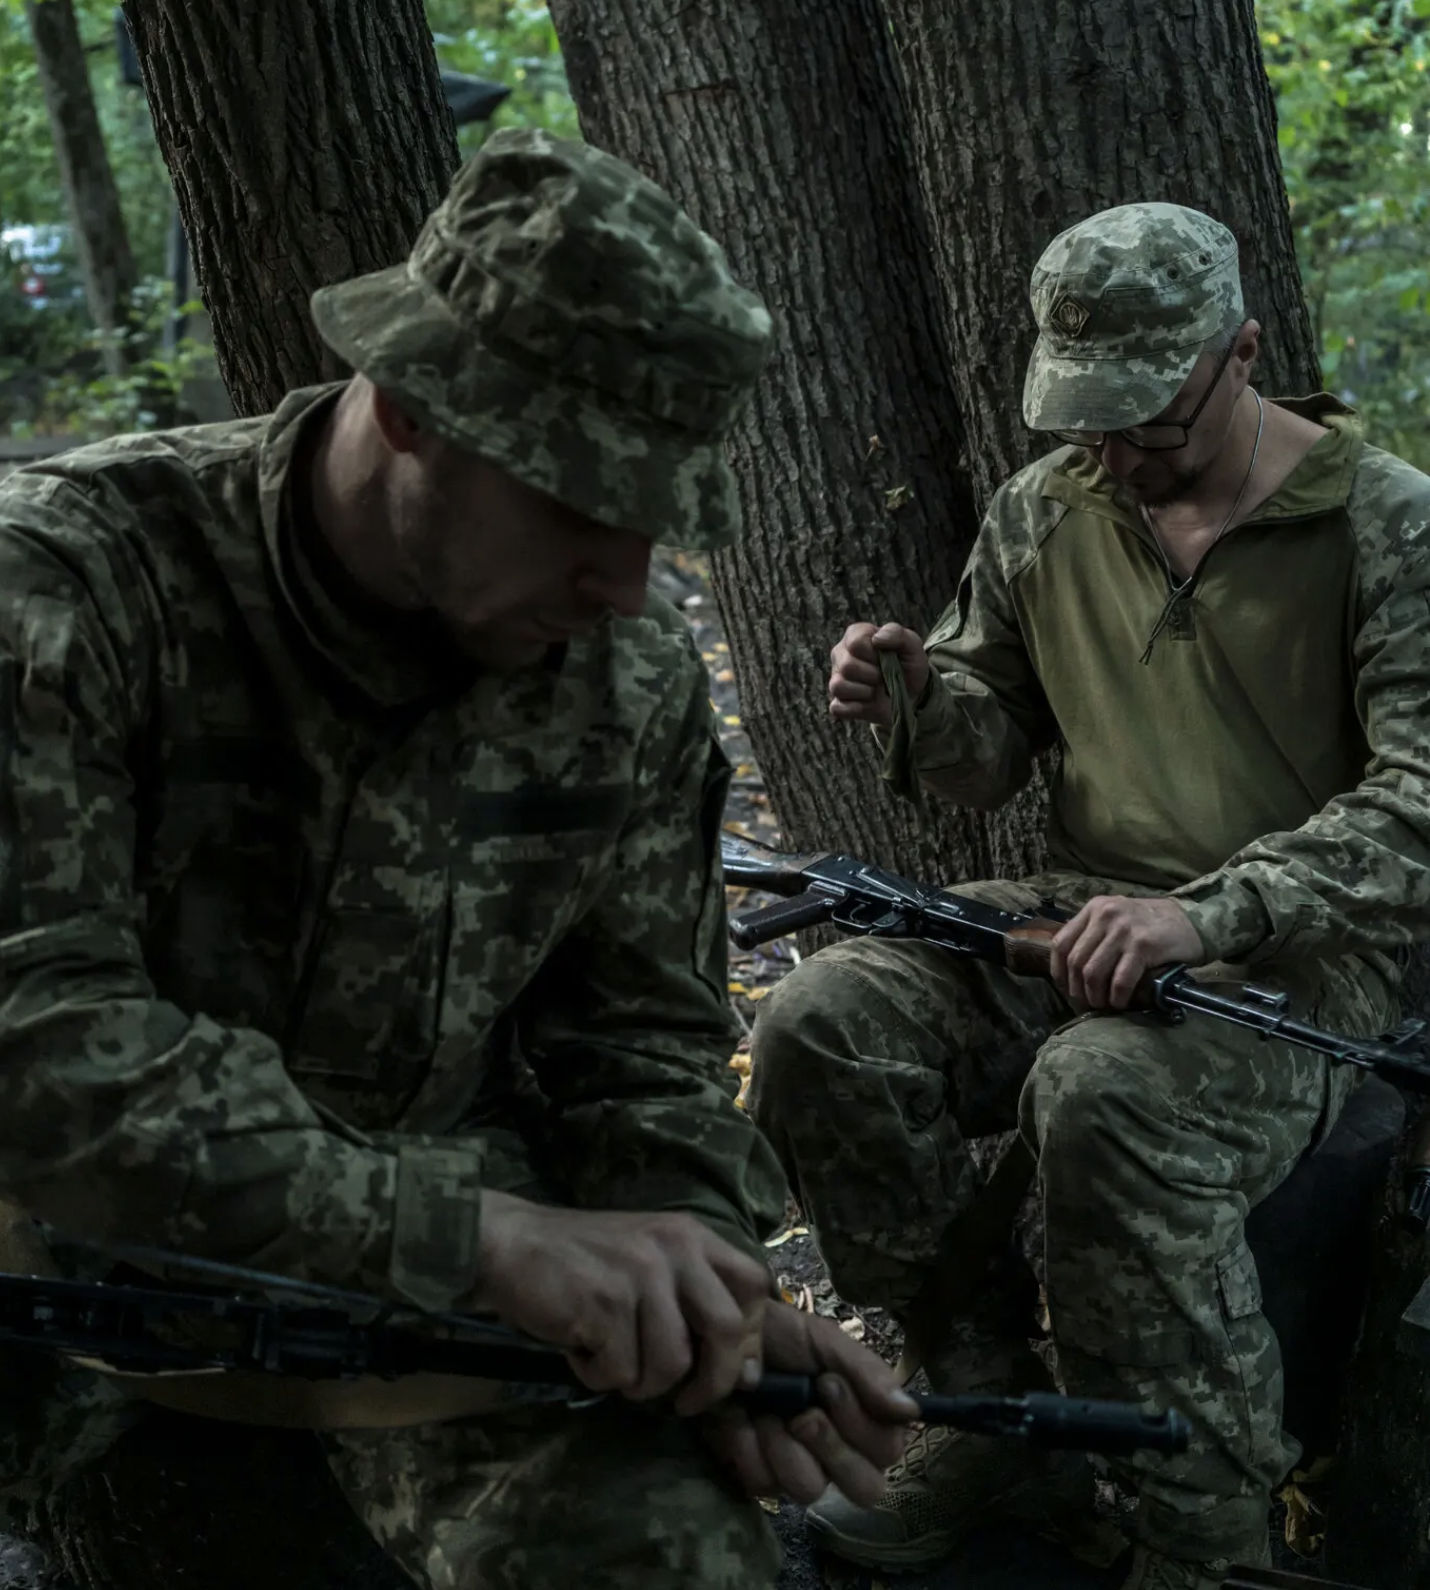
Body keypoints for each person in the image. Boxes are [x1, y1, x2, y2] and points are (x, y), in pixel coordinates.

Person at [0, 128, 916, 1589]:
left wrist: (700, 1291)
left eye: (653, 523)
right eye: (578, 508)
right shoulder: (70, 584)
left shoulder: (620, 680)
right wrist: (479, 1240)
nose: (626, 584)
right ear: (413, 405)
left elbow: (641, 1045)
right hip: (60, 1270)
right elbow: (38, 1041)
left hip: (439, 1318)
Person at [748, 201, 1430, 1590]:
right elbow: (986, 744)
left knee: (1103, 1091)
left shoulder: (1386, 525)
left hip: (1301, 953)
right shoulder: (1047, 508)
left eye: (1149, 426)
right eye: (1087, 422)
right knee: (822, 1019)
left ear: (1242, 355)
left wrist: (1212, 911)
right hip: (1073, 904)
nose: (1115, 455)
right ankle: (985, 1402)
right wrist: (916, 695)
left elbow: (1419, 802)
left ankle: (1200, 1535)